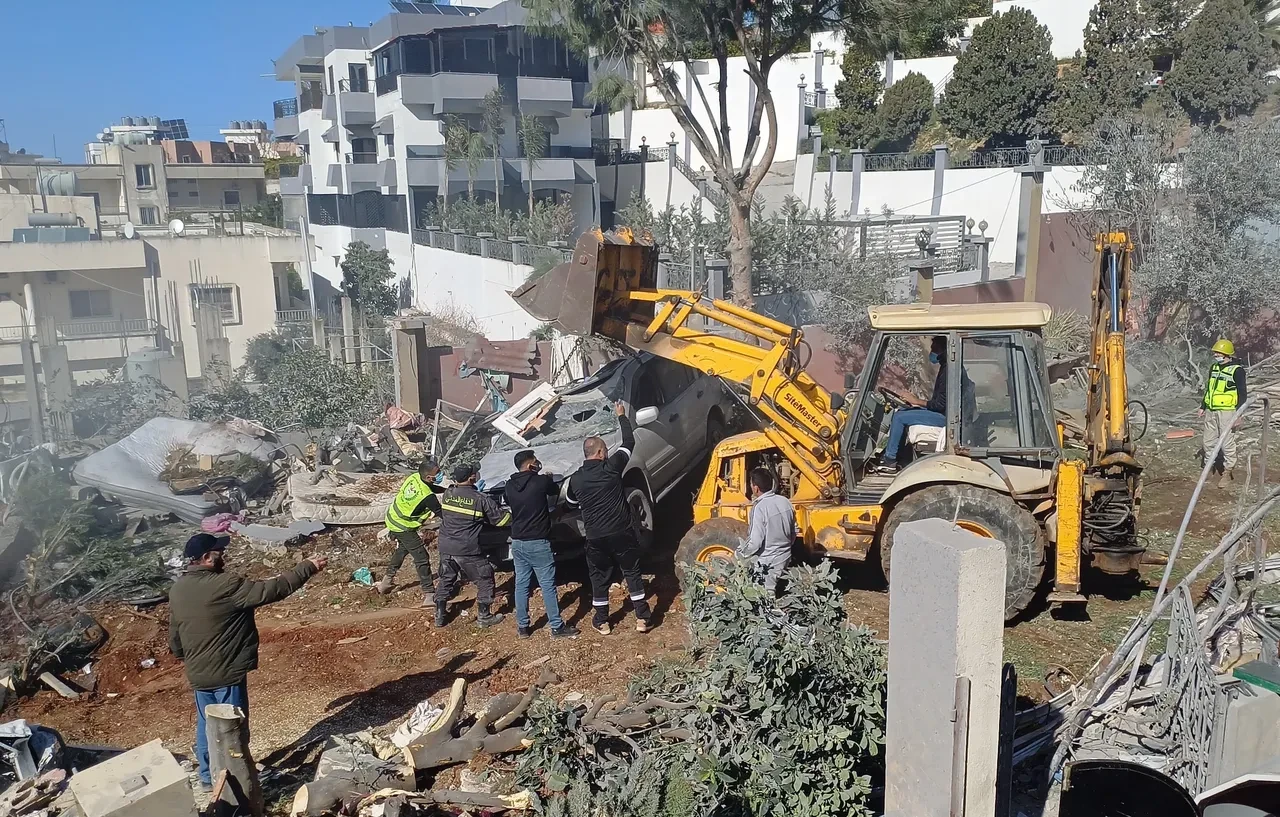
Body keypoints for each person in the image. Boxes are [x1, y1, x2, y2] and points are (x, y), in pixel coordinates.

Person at [168, 533, 326, 791]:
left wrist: (187, 658)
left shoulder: (178, 589)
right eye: (219, 552)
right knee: (233, 729)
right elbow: (271, 590)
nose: (224, 556)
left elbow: (175, 635)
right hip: (227, 672)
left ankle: (208, 778)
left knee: (207, 726)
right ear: (207, 558)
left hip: (197, 673)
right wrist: (307, 567)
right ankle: (235, 781)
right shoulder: (226, 584)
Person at [567, 402, 654, 635]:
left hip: (595, 537)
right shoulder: (612, 467)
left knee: (599, 577)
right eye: (604, 450)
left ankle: (603, 621)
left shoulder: (575, 479)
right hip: (622, 532)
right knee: (632, 572)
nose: (606, 453)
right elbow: (629, 443)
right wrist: (622, 416)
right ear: (600, 453)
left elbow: (572, 503)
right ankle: (642, 618)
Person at [504, 450, 579, 639]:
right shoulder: (540, 482)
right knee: (547, 585)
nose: (538, 463)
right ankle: (556, 626)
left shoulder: (509, 486)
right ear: (530, 465)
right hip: (538, 542)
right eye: (536, 461)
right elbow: (553, 490)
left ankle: (523, 627)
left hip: (518, 542)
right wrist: (548, 477)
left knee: (521, 584)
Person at [436, 462, 510, 628]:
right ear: (471, 477)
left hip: (446, 546)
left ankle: (439, 615)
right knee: (485, 579)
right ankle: (484, 617)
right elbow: (501, 520)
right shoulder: (480, 499)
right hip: (466, 549)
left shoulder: (448, 493)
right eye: (475, 473)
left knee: (446, 578)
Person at [377, 459, 444, 603]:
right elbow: (440, 512)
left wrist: (448, 488)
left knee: (402, 550)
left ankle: (386, 582)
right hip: (403, 527)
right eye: (437, 473)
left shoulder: (414, 477)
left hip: (392, 518)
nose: (440, 475)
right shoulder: (427, 497)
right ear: (428, 477)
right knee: (422, 557)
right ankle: (429, 594)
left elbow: (431, 488)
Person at [881, 336, 949, 471]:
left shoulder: (948, 371)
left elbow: (941, 405)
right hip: (944, 414)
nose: (931, 352)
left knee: (900, 417)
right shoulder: (946, 368)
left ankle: (889, 460)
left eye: (934, 348)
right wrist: (916, 404)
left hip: (947, 418)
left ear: (943, 349)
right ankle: (897, 456)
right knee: (902, 412)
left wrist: (916, 401)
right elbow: (940, 402)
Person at [735, 468, 797, 595]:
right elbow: (794, 531)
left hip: (768, 561)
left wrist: (738, 554)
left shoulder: (759, 508)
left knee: (763, 597)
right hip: (785, 556)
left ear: (755, 488)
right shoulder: (785, 501)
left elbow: (755, 542)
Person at [1199, 338, 1247, 489]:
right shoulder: (1214, 368)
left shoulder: (1237, 370)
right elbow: (1210, 389)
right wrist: (1203, 406)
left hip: (1227, 411)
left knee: (1226, 443)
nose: (1216, 356)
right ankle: (1208, 468)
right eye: (1215, 353)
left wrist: (1239, 414)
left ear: (1227, 355)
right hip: (1211, 410)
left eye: (1218, 353)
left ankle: (1227, 471)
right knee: (1208, 441)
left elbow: (1242, 393)